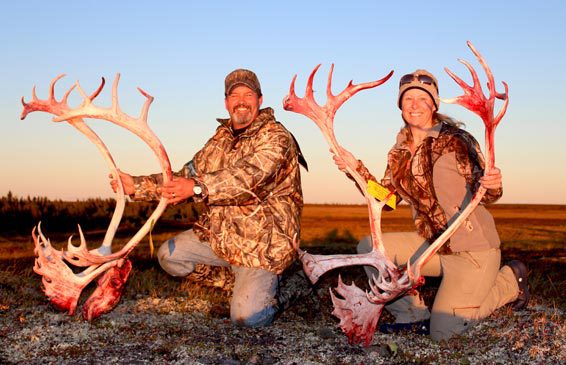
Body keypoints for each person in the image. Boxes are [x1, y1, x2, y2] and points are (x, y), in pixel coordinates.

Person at [333, 69, 529, 341]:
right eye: (407, 99)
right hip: (433, 246)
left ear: (434, 104)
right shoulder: (399, 151)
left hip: (472, 250)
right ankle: (412, 313)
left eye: (422, 98)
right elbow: (386, 199)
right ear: (400, 105)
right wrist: (355, 169)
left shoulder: (455, 141)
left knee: (444, 333)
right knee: (370, 249)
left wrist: (493, 182)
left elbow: (486, 192)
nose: (414, 105)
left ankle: (509, 282)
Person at [111, 69, 308, 327]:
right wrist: (136, 186)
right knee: (170, 255)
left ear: (260, 100)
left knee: (247, 318)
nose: (241, 100)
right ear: (226, 102)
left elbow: (248, 178)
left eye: (248, 94)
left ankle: (293, 282)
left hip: (262, 248)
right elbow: (185, 176)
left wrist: (197, 188)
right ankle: (237, 283)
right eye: (234, 95)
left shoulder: (276, 137)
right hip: (223, 238)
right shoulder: (220, 140)